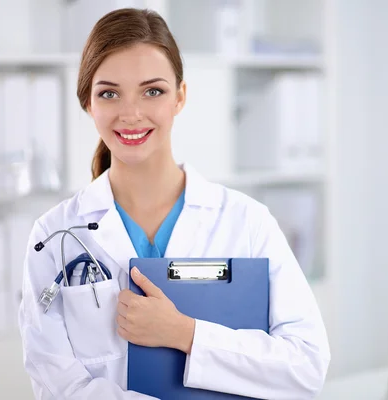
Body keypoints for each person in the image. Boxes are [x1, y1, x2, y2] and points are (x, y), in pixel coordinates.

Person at [18, 7, 330, 399]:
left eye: (153, 91)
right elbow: (57, 385)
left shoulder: (246, 221)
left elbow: (306, 366)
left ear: (180, 97)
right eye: (109, 93)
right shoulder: (52, 236)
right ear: (88, 103)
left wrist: (185, 333)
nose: (131, 114)